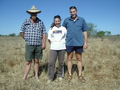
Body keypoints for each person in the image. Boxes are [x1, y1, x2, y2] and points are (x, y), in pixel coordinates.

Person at [20, 6, 46, 80]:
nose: (33, 14)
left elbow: (44, 33)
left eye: (35, 13)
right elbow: (21, 31)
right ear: (30, 13)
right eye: (32, 13)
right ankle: (24, 77)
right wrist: (26, 38)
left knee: (36, 61)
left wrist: (44, 43)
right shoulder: (26, 21)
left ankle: (36, 76)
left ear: (37, 13)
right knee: (28, 61)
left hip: (38, 45)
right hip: (29, 45)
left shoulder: (40, 22)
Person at [62, 6, 88, 83]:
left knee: (79, 59)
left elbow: (85, 31)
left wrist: (85, 42)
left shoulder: (82, 20)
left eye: (74, 11)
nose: (72, 13)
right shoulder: (66, 20)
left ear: (77, 11)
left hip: (79, 42)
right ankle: (70, 75)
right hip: (69, 42)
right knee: (69, 58)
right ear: (69, 12)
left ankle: (80, 75)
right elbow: (63, 30)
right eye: (71, 12)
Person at [47, 15, 67, 83]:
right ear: (54, 21)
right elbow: (49, 39)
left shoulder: (64, 28)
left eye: (58, 21)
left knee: (61, 63)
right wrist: (54, 44)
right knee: (51, 63)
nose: (57, 22)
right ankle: (50, 77)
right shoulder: (51, 29)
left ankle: (60, 75)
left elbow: (66, 37)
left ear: (60, 21)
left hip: (62, 47)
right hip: (53, 48)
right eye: (56, 21)